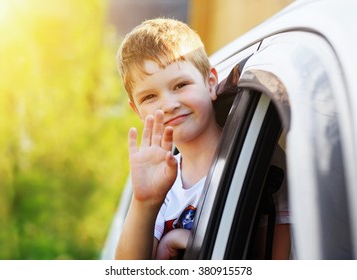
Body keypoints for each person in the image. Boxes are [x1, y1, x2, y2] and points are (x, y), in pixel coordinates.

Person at [114, 18, 290, 260]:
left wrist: (189, 243)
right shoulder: (161, 180)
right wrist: (144, 201)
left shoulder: (257, 158)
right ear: (137, 111)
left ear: (210, 84)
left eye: (180, 85)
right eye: (150, 97)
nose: (168, 105)